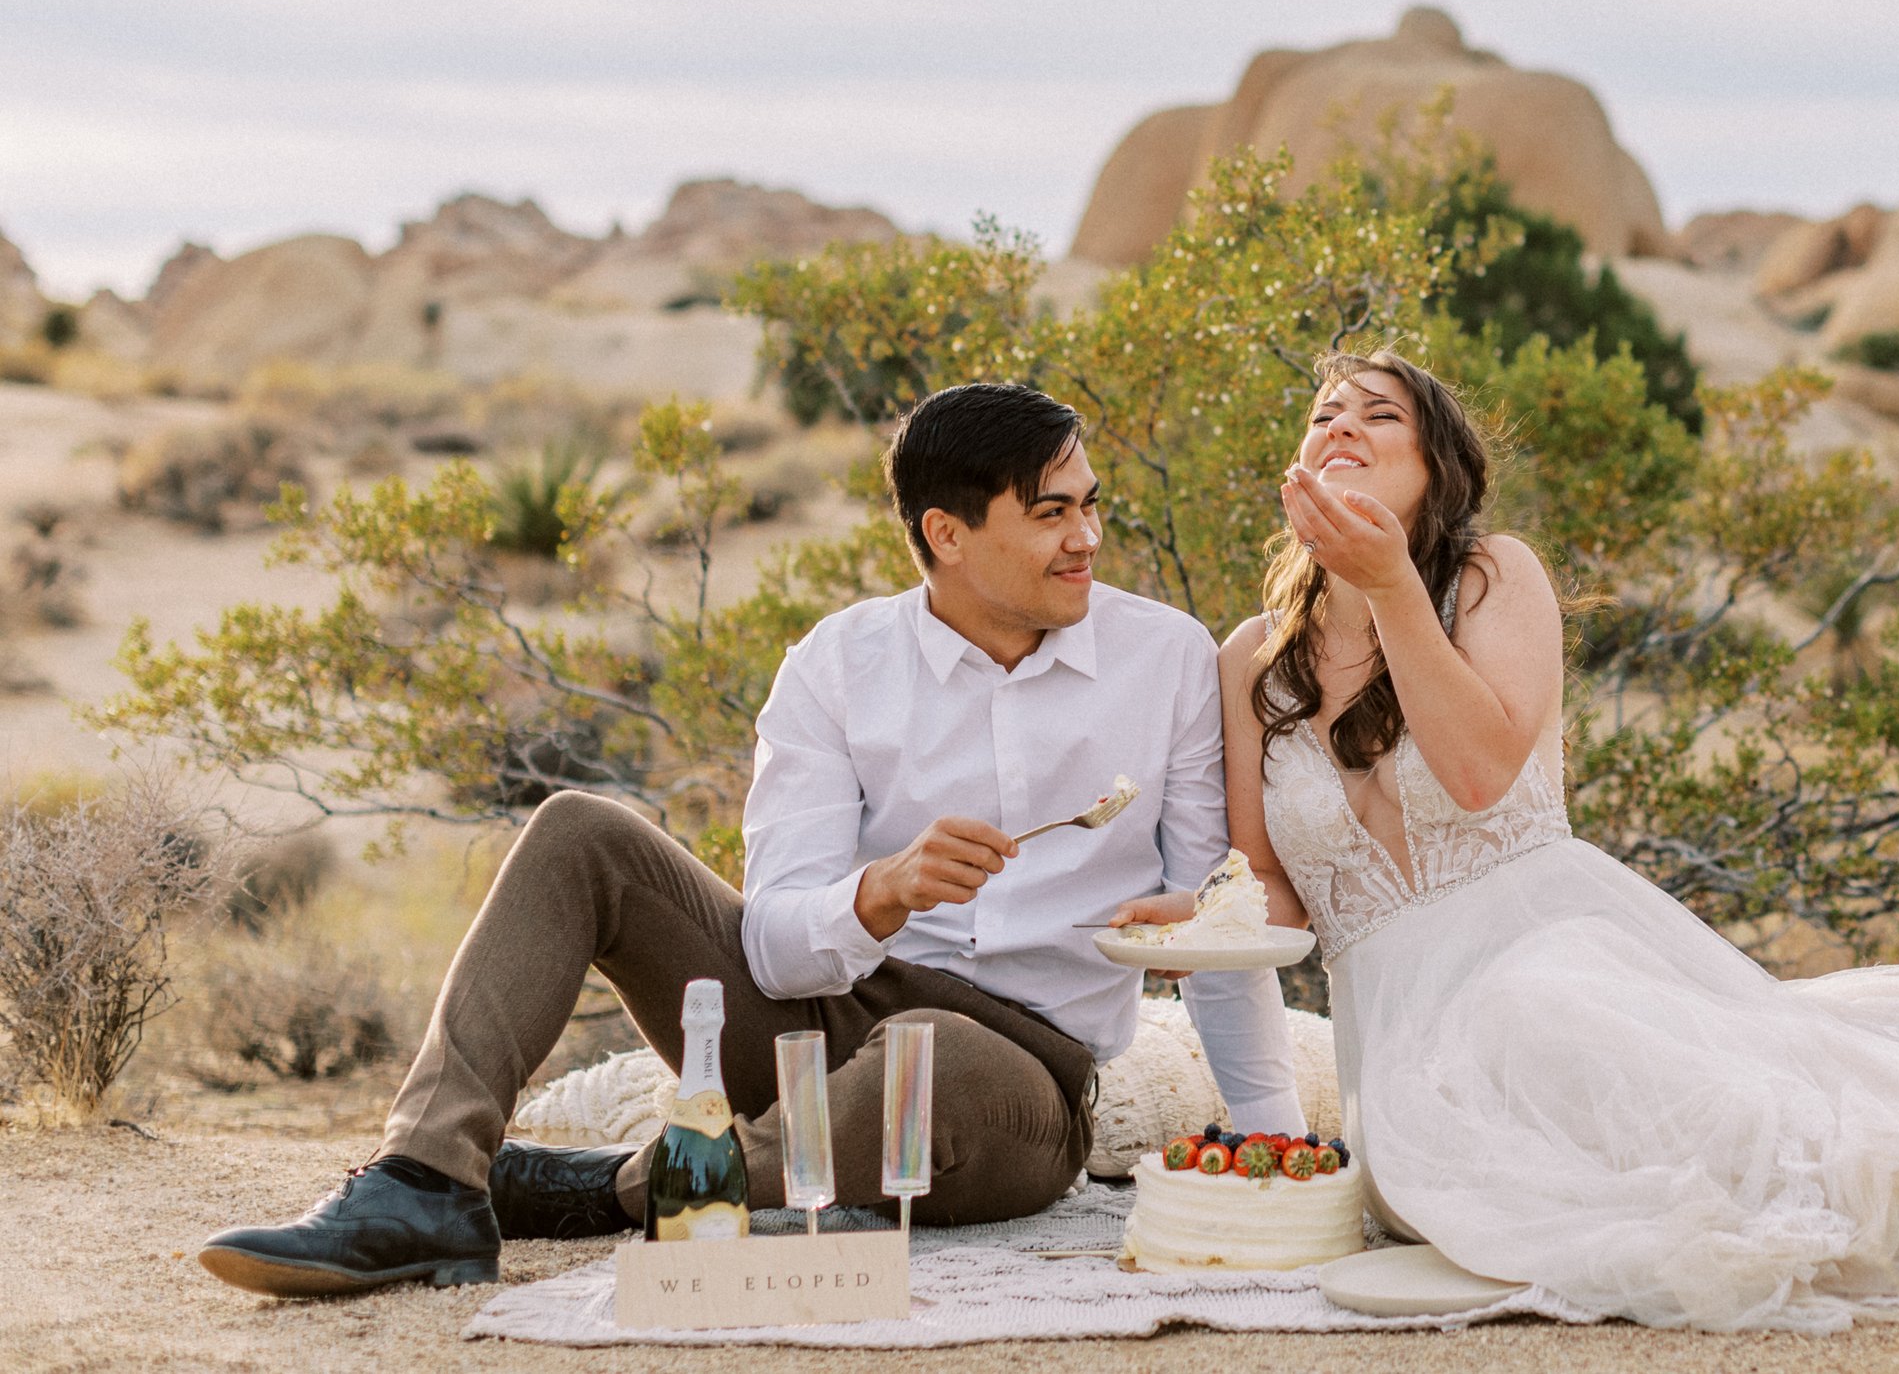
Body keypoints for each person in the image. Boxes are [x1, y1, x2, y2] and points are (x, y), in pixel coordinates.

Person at [1216, 348, 1899, 1332]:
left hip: (1545, 944)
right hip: (1398, 1035)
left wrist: (1395, 586)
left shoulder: (1491, 576)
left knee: (1569, 1032)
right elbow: (1271, 885)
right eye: (1322, 415)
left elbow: (1482, 775)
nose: (1341, 424)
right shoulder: (1249, 660)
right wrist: (1193, 914)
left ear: (1436, 469)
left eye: (1378, 413)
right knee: (1455, 1175)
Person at [201, 382, 1304, 1298]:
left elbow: (1216, 920)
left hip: (1019, 1076)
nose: (1089, 538)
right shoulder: (836, 664)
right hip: (818, 1019)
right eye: (1054, 513)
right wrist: (876, 894)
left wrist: (1278, 1148)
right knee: (581, 830)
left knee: (936, 1056)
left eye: (1091, 504)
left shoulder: (1162, 658)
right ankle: (423, 1180)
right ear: (948, 534)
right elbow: (773, 944)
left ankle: (612, 1188)